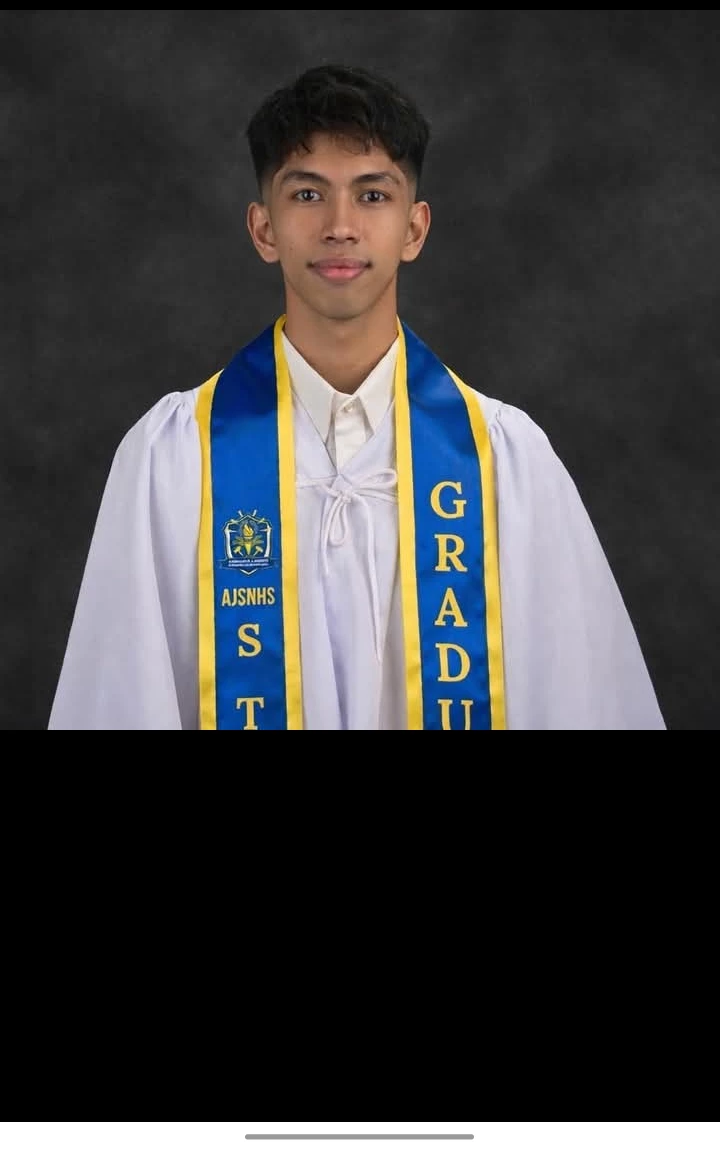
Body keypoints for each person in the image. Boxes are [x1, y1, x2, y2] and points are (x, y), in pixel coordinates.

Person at [48, 63, 665, 730]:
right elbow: (121, 700)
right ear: (263, 229)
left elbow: (578, 697)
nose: (340, 226)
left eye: (372, 195)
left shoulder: (506, 463)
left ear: (414, 229)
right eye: (307, 194)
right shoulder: (172, 460)